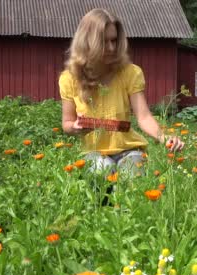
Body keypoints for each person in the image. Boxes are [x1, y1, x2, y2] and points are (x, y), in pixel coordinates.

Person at [58, 8, 184, 179]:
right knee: (102, 170)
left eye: (114, 40)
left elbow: (144, 117)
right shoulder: (69, 79)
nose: (111, 47)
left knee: (132, 174)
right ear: (88, 42)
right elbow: (67, 123)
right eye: (104, 41)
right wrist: (74, 128)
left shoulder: (130, 73)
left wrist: (164, 137)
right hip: (94, 152)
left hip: (129, 150)